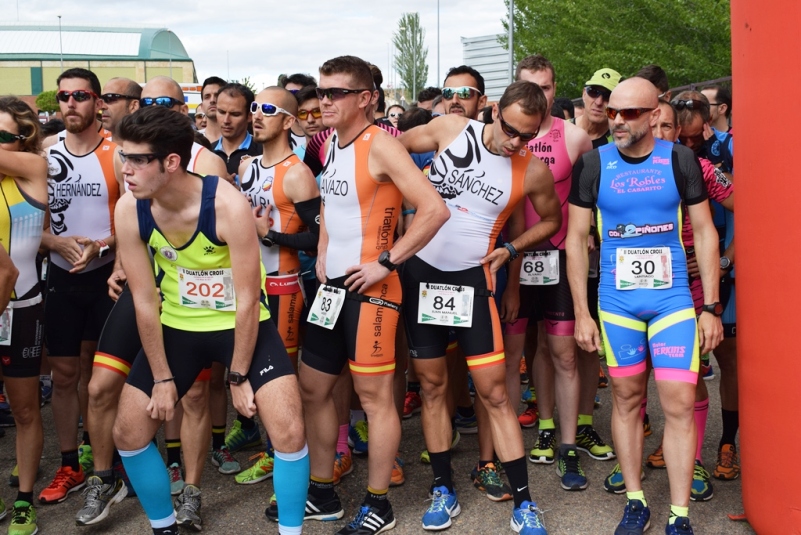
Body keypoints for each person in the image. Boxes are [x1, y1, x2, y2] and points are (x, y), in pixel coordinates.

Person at [112, 105, 308, 535]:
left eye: (137, 159)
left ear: (171, 162)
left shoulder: (225, 203)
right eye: (124, 156)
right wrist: (161, 377)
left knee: (289, 431)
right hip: (178, 328)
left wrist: (237, 376)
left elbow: (247, 299)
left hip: (241, 326)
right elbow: (144, 300)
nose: (125, 169)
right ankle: (164, 527)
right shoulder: (130, 209)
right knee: (128, 432)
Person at [400, 80, 562, 534]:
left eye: (528, 135)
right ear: (493, 112)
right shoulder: (450, 129)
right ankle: (442, 489)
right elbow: (389, 152)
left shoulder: (531, 170)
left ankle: (524, 503)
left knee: (494, 393)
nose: (516, 142)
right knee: (433, 386)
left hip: (473, 281)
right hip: (422, 274)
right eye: (511, 130)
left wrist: (511, 249)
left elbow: (552, 219)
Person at [295, 55, 448, 535]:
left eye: (335, 92)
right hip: (332, 289)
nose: (324, 100)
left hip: (373, 290)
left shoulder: (381, 145)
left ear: (366, 98)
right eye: (321, 91)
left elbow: (433, 209)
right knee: (313, 387)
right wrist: (323, 249)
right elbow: (330, 204)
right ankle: (322, 491)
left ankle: (379, 503)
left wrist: (387, 261)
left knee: (375, 397)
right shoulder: (330, 144)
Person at [567, 77, 723, 535]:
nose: (617, 120)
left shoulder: (679, 159)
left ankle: (679, 514)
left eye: (630, 113)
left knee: (679, 402)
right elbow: (575, 240)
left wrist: (711, 307)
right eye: (613, 112)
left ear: (655, 114)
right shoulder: (593, 164)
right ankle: (635, 501)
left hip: (672, 301)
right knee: (627, 400)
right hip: (617, 304)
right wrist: (582, 313)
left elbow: (705, 231)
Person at [76, 76, 228, 528]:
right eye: (147, 100)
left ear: (182, 109)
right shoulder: (130, 157)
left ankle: (191, 491)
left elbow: (219, 244)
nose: (153, 106)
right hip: (144, 288)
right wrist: (120, 264)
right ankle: (105, 478)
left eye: (165, 100)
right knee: (100, 386)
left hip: (192, 294)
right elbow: (132, 221)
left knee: (193, 393)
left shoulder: (207, 162)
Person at [513, 56, 609, 491]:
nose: (539, 94)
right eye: (529, 86)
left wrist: (587, 233)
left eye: (547, 87)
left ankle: (568, 446)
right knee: (526, 349)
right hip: (514, 256)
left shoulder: (574, 138)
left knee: (564, 352)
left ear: (556, 89)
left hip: (560, 256)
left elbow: (592, 196)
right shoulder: (503, 137)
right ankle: (545, 426)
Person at [39, 67, 124, 505]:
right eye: (64, 96)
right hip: (60, 276)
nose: (70, 103)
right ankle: (70, 463)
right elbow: (29, 222)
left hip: (105, 276)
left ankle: (111, 458)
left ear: (98, 102)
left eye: (80, 95)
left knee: (104, 375)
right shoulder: (45, 153)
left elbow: (135, 218)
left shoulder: (117, 153)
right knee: (65, 374)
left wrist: (101, 246)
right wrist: (53, 242)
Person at [229, 86, 321, 487]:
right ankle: (274, 451)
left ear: (288, 121)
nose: (257, 114)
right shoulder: (246, 167)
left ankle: (284, 456)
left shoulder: (297, 173)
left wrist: (270, 235)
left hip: (283, 285)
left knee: (278, 376)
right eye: (254, 107)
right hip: (248, 284)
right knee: (251, 367)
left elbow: (317, 238)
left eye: (267, 109)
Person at [0, 96, 48, 535]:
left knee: (26, 410)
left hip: (22, 308)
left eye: (3, 136)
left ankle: (24, 503)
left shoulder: (33, 168)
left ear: (24, 139)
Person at [213, 83, 262, 183]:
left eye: (235, 114)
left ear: (249, 116)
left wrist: (239, 190)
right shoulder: (206, 151)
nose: (226, 120)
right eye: (221, 112)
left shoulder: (263, 153)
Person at [573, 68, 622, 148]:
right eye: (593, 92)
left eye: (608, 96)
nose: (598, 102)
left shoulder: (620, 144)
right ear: (584, 94)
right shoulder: (561, 129)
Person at [199, 76, 226, 144]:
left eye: (217, 96)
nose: (212, 100)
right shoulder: (193, 140)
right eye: (207, 97)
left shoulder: (240, 138)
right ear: (202, 106)